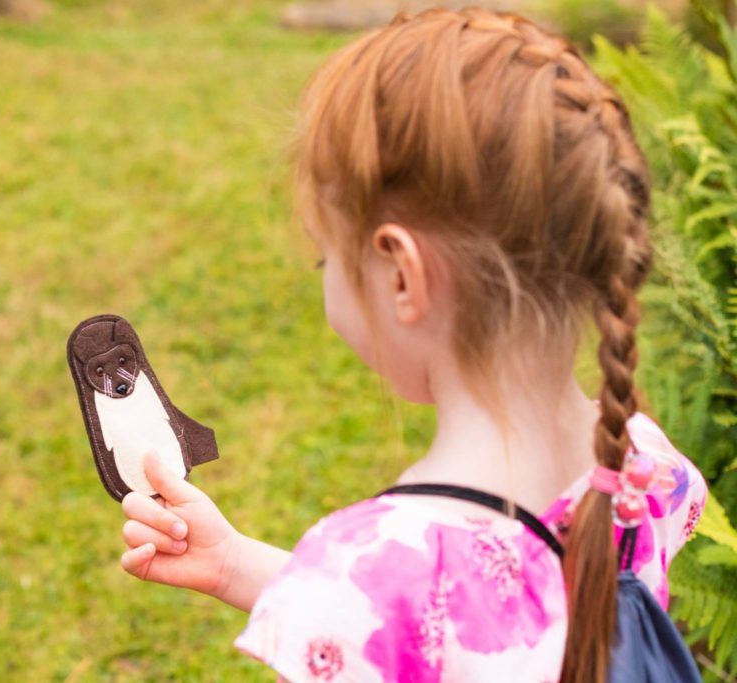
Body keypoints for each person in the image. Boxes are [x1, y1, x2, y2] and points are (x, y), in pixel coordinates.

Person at [116, 7, 708, 682]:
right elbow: (493, 618)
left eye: (325, 260)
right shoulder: (640, 471)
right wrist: (239, 564)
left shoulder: (370, 572)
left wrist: (320, 586)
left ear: (402, 274)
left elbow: (416, 612)